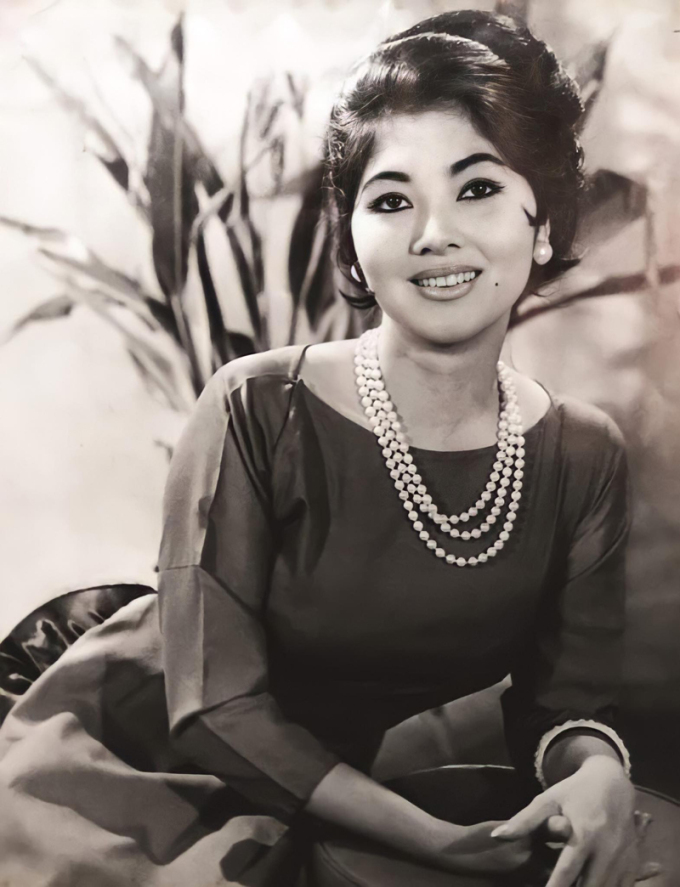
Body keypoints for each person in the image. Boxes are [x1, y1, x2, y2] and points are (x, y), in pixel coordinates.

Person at [0, 9, 658, 887]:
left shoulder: (582, 454)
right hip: (122, 768)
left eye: (476, 188)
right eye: (392, 200)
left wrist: (598, 769)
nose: (433, 232)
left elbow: (563, 702)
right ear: (351, 238)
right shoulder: (255, 405)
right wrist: (431, 838)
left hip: (336, 793)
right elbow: (214, 709)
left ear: (543, 225)